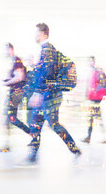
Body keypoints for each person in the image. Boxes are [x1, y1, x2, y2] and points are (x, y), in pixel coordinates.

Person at [22, 23, 82, 165]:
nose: (34, 35)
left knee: (54, 124)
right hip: (46, 94)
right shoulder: (46, 50)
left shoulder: (47, 49)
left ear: (43, 34)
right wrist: (34, 66)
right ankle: (32, 156)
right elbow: (46, 71)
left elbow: (47, 74)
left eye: (36, 32)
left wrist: (38, 92)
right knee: (35, 124)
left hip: (48, 95)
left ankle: (74, 149)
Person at [0, 43, 30, 152]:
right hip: (14, 93)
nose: (4, 52)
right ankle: (6, 145)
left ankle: (31, 133)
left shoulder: (16, 60)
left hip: (16, 93)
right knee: (9, 119)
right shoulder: (14, 61)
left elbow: (19, 77)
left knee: (11, 118)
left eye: (6, 50)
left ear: (10, 49)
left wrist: (7, 83)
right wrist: (7, 80)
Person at [83, 56, 106, 144]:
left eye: (91, 61)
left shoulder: (97, 72)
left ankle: (89, 138)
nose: (89, 63)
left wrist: (95, 93)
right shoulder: (93, 71)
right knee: (95, 118)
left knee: (92, 118)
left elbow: (100, 85)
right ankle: (95, 137)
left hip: (95, 99)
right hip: (93, 98)